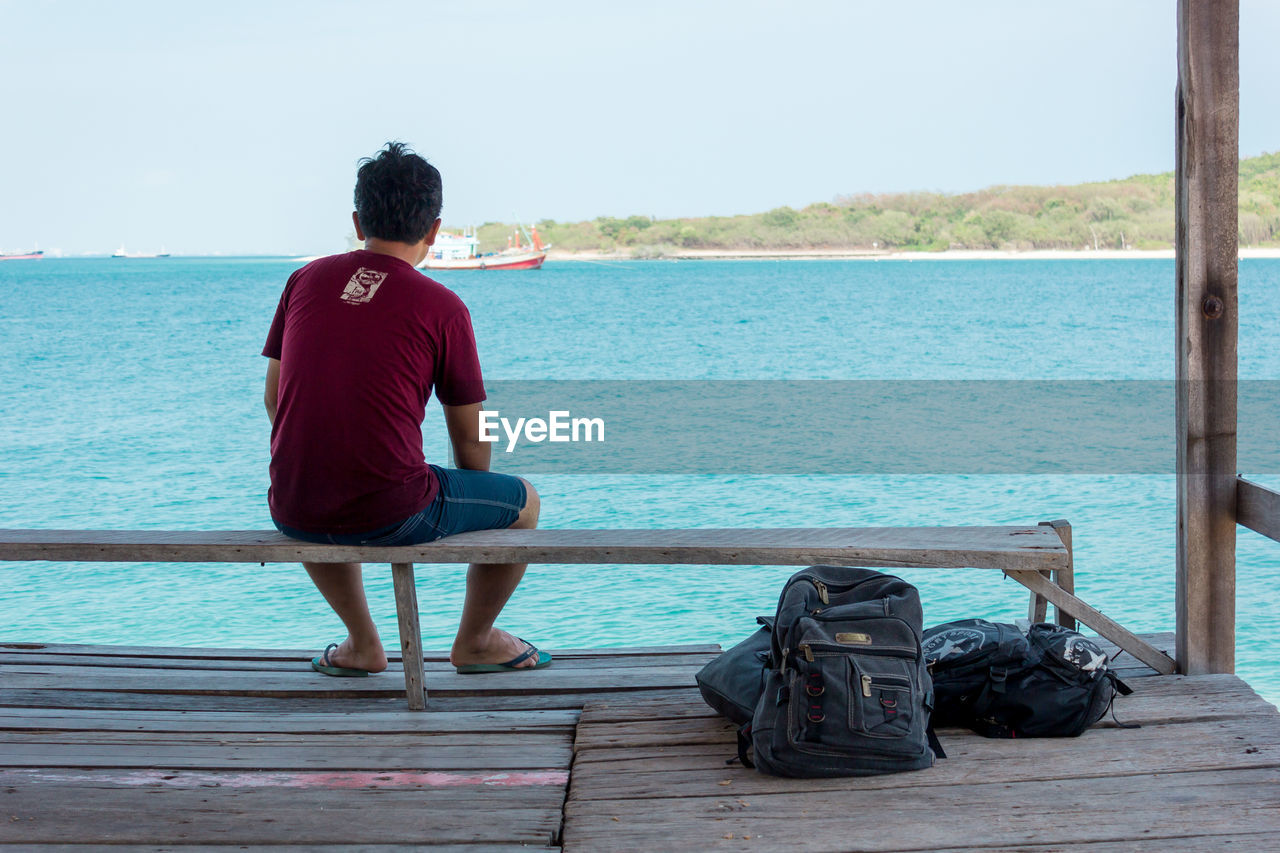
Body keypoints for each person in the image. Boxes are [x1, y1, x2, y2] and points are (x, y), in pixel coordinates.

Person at [261, 141, 548, 677]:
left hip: (292, 505)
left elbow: (274, 399)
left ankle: (362, 644)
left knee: (326, 496)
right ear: (434, 230)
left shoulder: (304, 280)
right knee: (525, 502)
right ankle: (477, 641)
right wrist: (473, 509)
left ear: (356, 220)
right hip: (395, 509)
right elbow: (469, 436)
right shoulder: (441, 305)